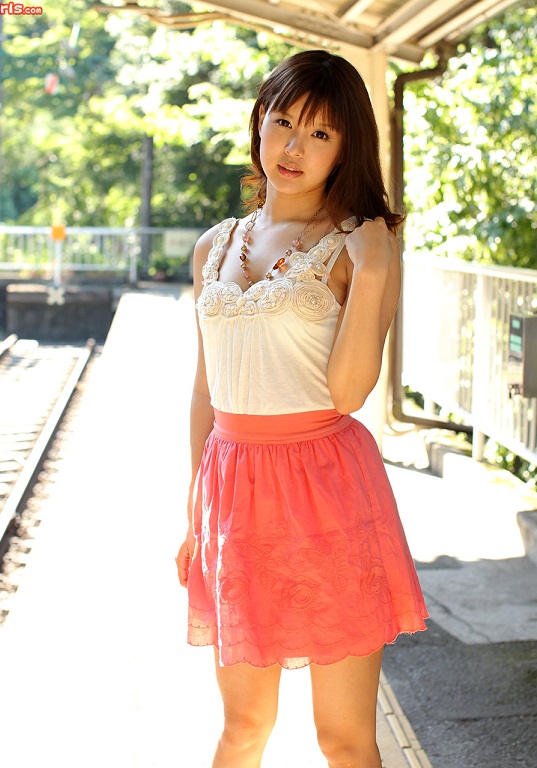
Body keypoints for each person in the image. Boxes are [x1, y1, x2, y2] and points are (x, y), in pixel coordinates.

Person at [176, 49, 428, 768]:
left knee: (342, 740)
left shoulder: (357, 248)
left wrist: (374, 269)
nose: (294, 147)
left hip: (326, 490)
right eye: (283, 122)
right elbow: (206, 390)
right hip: (234, 491)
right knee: (242, 728)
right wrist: (194, 513)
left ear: (346, 147)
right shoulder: (214, 246)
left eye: (320, 133)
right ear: (259, 121)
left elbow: (348, 396)